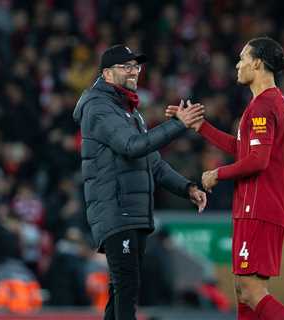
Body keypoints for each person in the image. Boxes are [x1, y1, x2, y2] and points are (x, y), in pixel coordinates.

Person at [73, 44, 207, 320]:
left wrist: (187, 187)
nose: (134, 71)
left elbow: (153, 162)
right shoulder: (99, 107)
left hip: (132, 212)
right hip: (116, 210)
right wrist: (178, 124)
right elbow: (132, 146)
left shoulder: (128, 110)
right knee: (126, 287)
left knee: (122, 289)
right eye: (127, 67)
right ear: (107, 73)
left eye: (136, 66)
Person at [167, 36, 284, 320]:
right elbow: (244, 150)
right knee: (242, 289)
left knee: (251, 289)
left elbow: (257, 161)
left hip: (259, 207)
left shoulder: (263, 106)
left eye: (243, 58)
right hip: (258, 206)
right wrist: (201, 127)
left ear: (258, 64)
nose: (237, 65)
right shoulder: (275, 102)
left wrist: (217, 174)